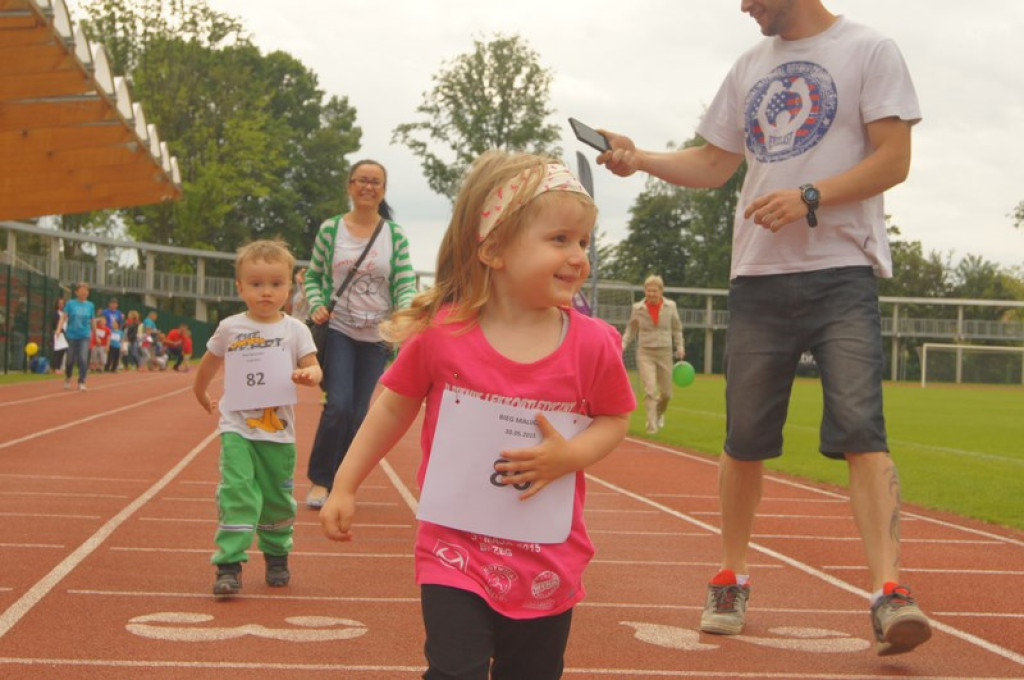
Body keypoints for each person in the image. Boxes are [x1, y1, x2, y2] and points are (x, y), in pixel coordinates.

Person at [596, 0, 930, 656]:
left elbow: (894, 160)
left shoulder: (871, 50)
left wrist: (811, 196)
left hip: (843, 273)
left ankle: (890, 592)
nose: (742, 5)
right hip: (758, 278)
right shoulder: (749, 66)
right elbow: (714, 163)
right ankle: (730, 577)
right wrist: (640, 160)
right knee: (744, 439)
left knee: (863, 430)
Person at [319, 151, 635, 679]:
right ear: (493, 249)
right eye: (559, 239)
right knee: (453, 671)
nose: (579, 256)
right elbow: (392, 408)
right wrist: (345, 484)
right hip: (454, 551)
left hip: (547, 558)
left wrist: (570, 456)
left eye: (583, 242)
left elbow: (615, 418)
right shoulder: (444, 334)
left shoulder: (594, 345)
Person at [192, 238, 322, 597]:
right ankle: (229, 564)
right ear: (240, 287)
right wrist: (199, 391)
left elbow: (314, 366)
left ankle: (277, 553)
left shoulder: (295, 329)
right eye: (256, 284)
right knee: (237, 491)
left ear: (289, 287)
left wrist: (310, 376)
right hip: (237, 427)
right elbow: (209, 362)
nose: (266, 292)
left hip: (278, 433)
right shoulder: (231, 327)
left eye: (275, 284)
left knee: (277, 497)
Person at [303, 159, 417, 509]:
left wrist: (405, 319)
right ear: (350, 186)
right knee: (336, 404)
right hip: (338, 329)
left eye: (376, 182)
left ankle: (342, 482)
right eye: (362, 180)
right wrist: (316, 304)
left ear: (383, 191)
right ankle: (321, 481)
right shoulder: (330, 230)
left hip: (377, 337)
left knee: (358, 412)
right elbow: (313, 276)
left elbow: (404, 282)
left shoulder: (393, 235)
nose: (368, 187)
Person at [621, 274, 685, 434]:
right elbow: (631, 330)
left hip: (664, 352)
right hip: (645, 352)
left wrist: (680, 346)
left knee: (667, 393)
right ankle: (651, 425)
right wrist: (622, 345)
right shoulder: (638, 308)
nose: (651, 294)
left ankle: (659, 413)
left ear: (661, 291)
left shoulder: (671, 306)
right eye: (648, 291)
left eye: (654, 291)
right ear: (645, 291)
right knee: (650, 390)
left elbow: (677, 328)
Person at [59, 282, 95, 391]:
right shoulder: (70, 304)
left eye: (86, 290)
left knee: (83, 358)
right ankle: (68, 377)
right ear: (76, 292)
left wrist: (96, 334)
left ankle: (82, 381)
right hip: (71, 335)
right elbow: (64, 317)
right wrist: (58, 329)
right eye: (82, 290)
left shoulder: (90, 305)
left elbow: (92, 320)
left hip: (84, 335)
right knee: (70, 359)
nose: (85, 292)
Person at [51, 297, 67, 373]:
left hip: (65, 334)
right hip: (58, 333)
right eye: (59, 304)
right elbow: (54, 323)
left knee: (62, 351)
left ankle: (59, 367)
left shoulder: (66, 314)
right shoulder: (55, 314)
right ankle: (55, 367)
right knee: (57, 351)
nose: (61, 305)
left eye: (62, 304)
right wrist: (59, 330)